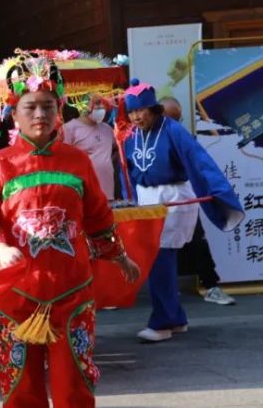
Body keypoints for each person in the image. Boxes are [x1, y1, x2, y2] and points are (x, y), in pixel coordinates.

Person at [0, 53, 140, 408]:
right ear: (14, 113)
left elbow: (99, 218)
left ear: (59, 108)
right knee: (20, 385)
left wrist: (119, 257)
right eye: (30, 107)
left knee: (75, 382)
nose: (40, 114)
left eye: (47, 105)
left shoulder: (78, 162)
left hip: (72, 295)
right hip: (17, 297)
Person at [123, 80, 244, 342]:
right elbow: (130, 171)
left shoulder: (173, 130)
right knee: (155, 259)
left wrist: (219, 192)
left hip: (172, 198)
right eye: (131, 112)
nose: (135, 117)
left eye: (140, 111)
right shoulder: (131, 136)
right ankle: (175, 318)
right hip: (147, 200)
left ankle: (163, 322)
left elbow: (199, 160)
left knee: (159, 260)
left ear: (154, 109)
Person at [160, 97, 235, 305]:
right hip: (158, 201)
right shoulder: (144, 138)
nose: (173, 123)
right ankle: (167, 290)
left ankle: (211, 286)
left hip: (185, 198)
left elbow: (201, 166)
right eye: (169, 118)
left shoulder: (182, 136)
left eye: (177, 118)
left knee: (196, 240)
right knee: (162, 246)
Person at [61, 95, 115, 200]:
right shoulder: (69, 129)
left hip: (108, 193)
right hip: (84, 195)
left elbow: (116, 152)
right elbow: (63, 160)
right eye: (97, 103)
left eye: (103, 103)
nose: (101, 107)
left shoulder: (108, 129)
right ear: (84, 104)